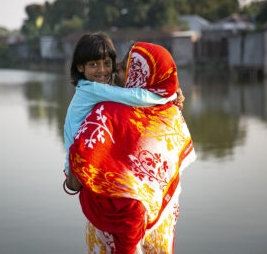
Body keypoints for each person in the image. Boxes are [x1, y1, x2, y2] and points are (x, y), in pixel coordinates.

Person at [68, 42, 196, 253]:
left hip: (115, 228)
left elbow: (78, 173)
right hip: (159, 221)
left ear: (138, 76)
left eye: (123, 66)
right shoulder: (172, 114)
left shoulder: (106, 113)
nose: (114, 68)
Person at [63, 33, 183, 183]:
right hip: (75, 169)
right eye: (93, 65)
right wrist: (167, 95)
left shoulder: (95, 89)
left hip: (81, 164)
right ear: (80, 67)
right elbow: (135, 97)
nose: (102, 70)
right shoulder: (91, 89)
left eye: (107, 63)